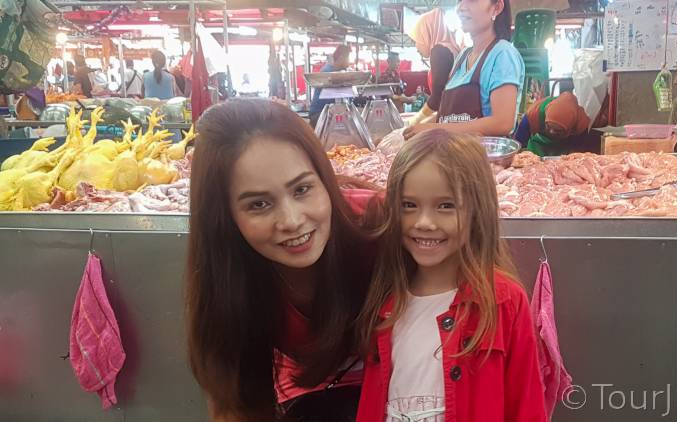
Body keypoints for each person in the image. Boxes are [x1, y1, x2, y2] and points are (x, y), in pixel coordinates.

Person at [186, 98, 381, 421]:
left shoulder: (381, 231)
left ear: (325, 180)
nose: (291, 220)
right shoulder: (226, 277)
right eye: (259, 204)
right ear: (224, 217)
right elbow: (232, 401)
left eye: (302, 189)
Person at [356, 129, 547, 421]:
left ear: (476, 210)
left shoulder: (504, 301)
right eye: (409, 205)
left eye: (446, 206)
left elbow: (527, 404)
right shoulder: (385, 298)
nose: (424, 222)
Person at [404, 0, 524, 140]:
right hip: (452, 155)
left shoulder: (503, 53)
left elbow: (502, 123)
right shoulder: (463, 56)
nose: (461, 7)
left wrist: (434, 129)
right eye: (459, 1)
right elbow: (449, 117)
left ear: (496, 7)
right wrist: (415, 127)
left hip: (481, 159)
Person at [405, 8, 461, 126]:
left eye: (417, 39)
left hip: (448, 121)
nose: (416, 46)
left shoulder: (440, 51)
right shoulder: (451, 48)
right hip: (453, 117)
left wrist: (416, 120)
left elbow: (437, 97)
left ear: (427, 33)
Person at [514, 91, 591, 156]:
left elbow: (578, 152)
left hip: (564, 157)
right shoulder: (533, 114)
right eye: (548, 126)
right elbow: (518, 143)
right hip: (535, 153)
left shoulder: (581, 124)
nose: (551, 131)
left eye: (558, 130)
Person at [309, 45, 351, 128]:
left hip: (330, 114)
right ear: (342, 57)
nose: (349, 61)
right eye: (348, 58)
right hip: (319, 115)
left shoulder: (339, 72)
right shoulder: (328, 72)